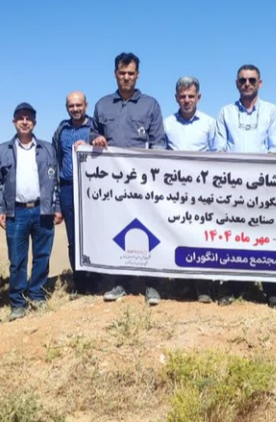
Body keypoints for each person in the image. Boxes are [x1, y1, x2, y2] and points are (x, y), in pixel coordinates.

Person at [90, 52, 167, 305]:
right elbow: (93, 133)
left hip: (143, 183)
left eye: (131, 73)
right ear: (115, 74)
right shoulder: (102, 105)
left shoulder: (150, 105)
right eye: (122, 73)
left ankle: (152, 284)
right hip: (112, 184)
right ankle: (120, 283)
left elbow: (158, 143)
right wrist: (96, 139)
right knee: (117, 229)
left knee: (148, 229)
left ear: (138, 75)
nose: (126, 77)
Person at [214, 64, 276, 308]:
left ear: (260, 83)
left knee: (266, 236)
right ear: (237, 84)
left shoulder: (272, 111)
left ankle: (271, 289)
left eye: (252, 80)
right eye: (242, 80)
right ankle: (234, 286)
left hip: (263, 187)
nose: (247, 84)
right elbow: (219, 149)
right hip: (233, 188)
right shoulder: (225, 112)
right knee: (234, 236)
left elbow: (275, 148)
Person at [0, 102, 63, 320]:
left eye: (29, 118)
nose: (25, 122)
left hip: (43, 210)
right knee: (17, 260)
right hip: (16, 213)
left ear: (35, 122)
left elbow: (57, 181)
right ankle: (17, 301)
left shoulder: (47, 148)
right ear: (14, 122)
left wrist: (57, 207)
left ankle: (37, 295)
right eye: (21, 118)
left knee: (42, 256)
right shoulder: (3, 150)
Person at [164, 76, 216, 302]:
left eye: (191, 96)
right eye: (182, 96)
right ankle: (183, 284)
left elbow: (218, 154)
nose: (187, 100)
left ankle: (204, 285)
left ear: (199, 97)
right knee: (179, 234)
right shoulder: (167, 124)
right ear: (176, 98)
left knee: (201, 236)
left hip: (203, 191)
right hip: (175, 191)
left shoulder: (209, 123)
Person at [52, 91, 94, 295]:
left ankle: (97, 279)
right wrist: (57, 200)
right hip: (68, 188)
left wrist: (90, 147)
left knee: (94, 234)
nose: (75, 109)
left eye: (79, 105)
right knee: (73, 238)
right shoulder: (62, 129)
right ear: (67, 107)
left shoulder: (95, 127)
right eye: (71, 106)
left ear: (86, 105)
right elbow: (55, 161)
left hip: (93, 187)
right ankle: (81, 283)